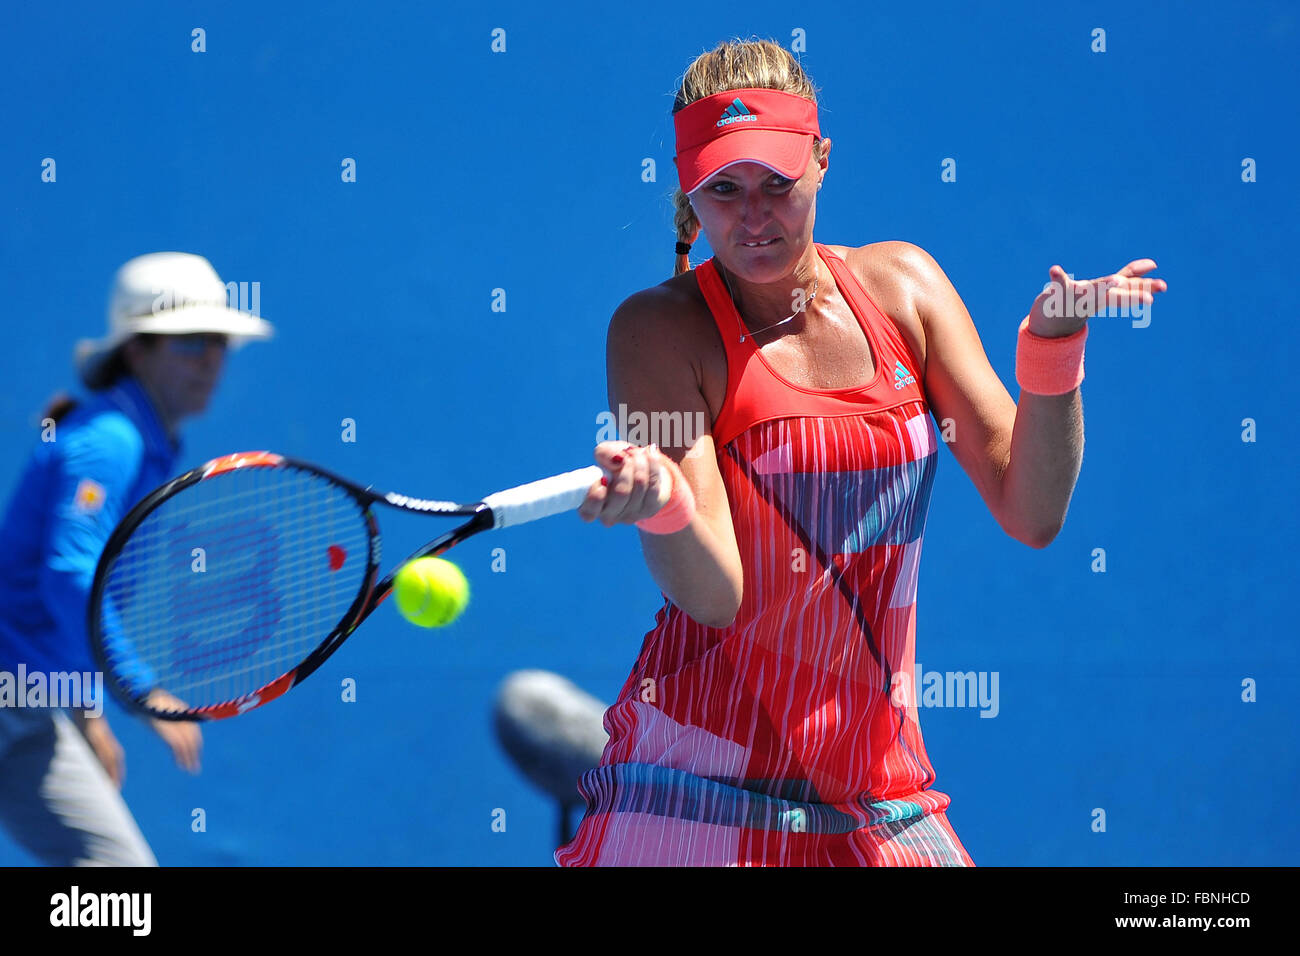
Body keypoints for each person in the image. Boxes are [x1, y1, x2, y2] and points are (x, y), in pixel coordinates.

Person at [558, 39, 1166, 866]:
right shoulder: (660, 330)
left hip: (883, 799)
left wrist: (1051, 353)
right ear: (689, 191)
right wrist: (665, 506)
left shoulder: (905, 286)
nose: (753, 216)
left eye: (778, 183)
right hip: (695, 793)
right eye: (723, 191)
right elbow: (713, 595)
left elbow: (1033, 511)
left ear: (822, 160)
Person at [0, 251, 273, 865]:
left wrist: (84, 705)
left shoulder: (141, 442)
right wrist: (139, 687)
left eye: (220, 341)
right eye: (190, 340)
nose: (211, 358)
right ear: (137, 351)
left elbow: (54, 599)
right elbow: (69, 576)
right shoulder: (110, 442)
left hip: (33, 706)